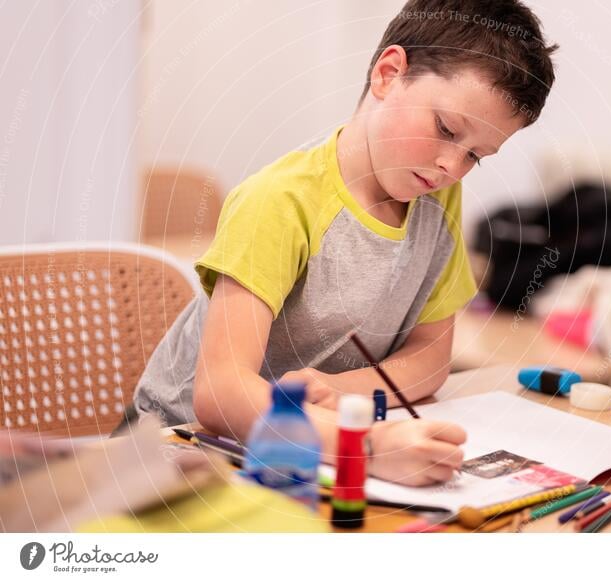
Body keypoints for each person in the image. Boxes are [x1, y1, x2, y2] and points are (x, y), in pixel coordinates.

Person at [133, 0, 557, 486]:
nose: (450, 167)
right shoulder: (279, 201)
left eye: (475, 156)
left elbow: (431, 360)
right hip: (182, 448)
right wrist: (366, 445)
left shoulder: (438, 195)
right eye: (445, 129)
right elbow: (220, 393)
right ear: (388, 73)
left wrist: (343, 392)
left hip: (310, 443)